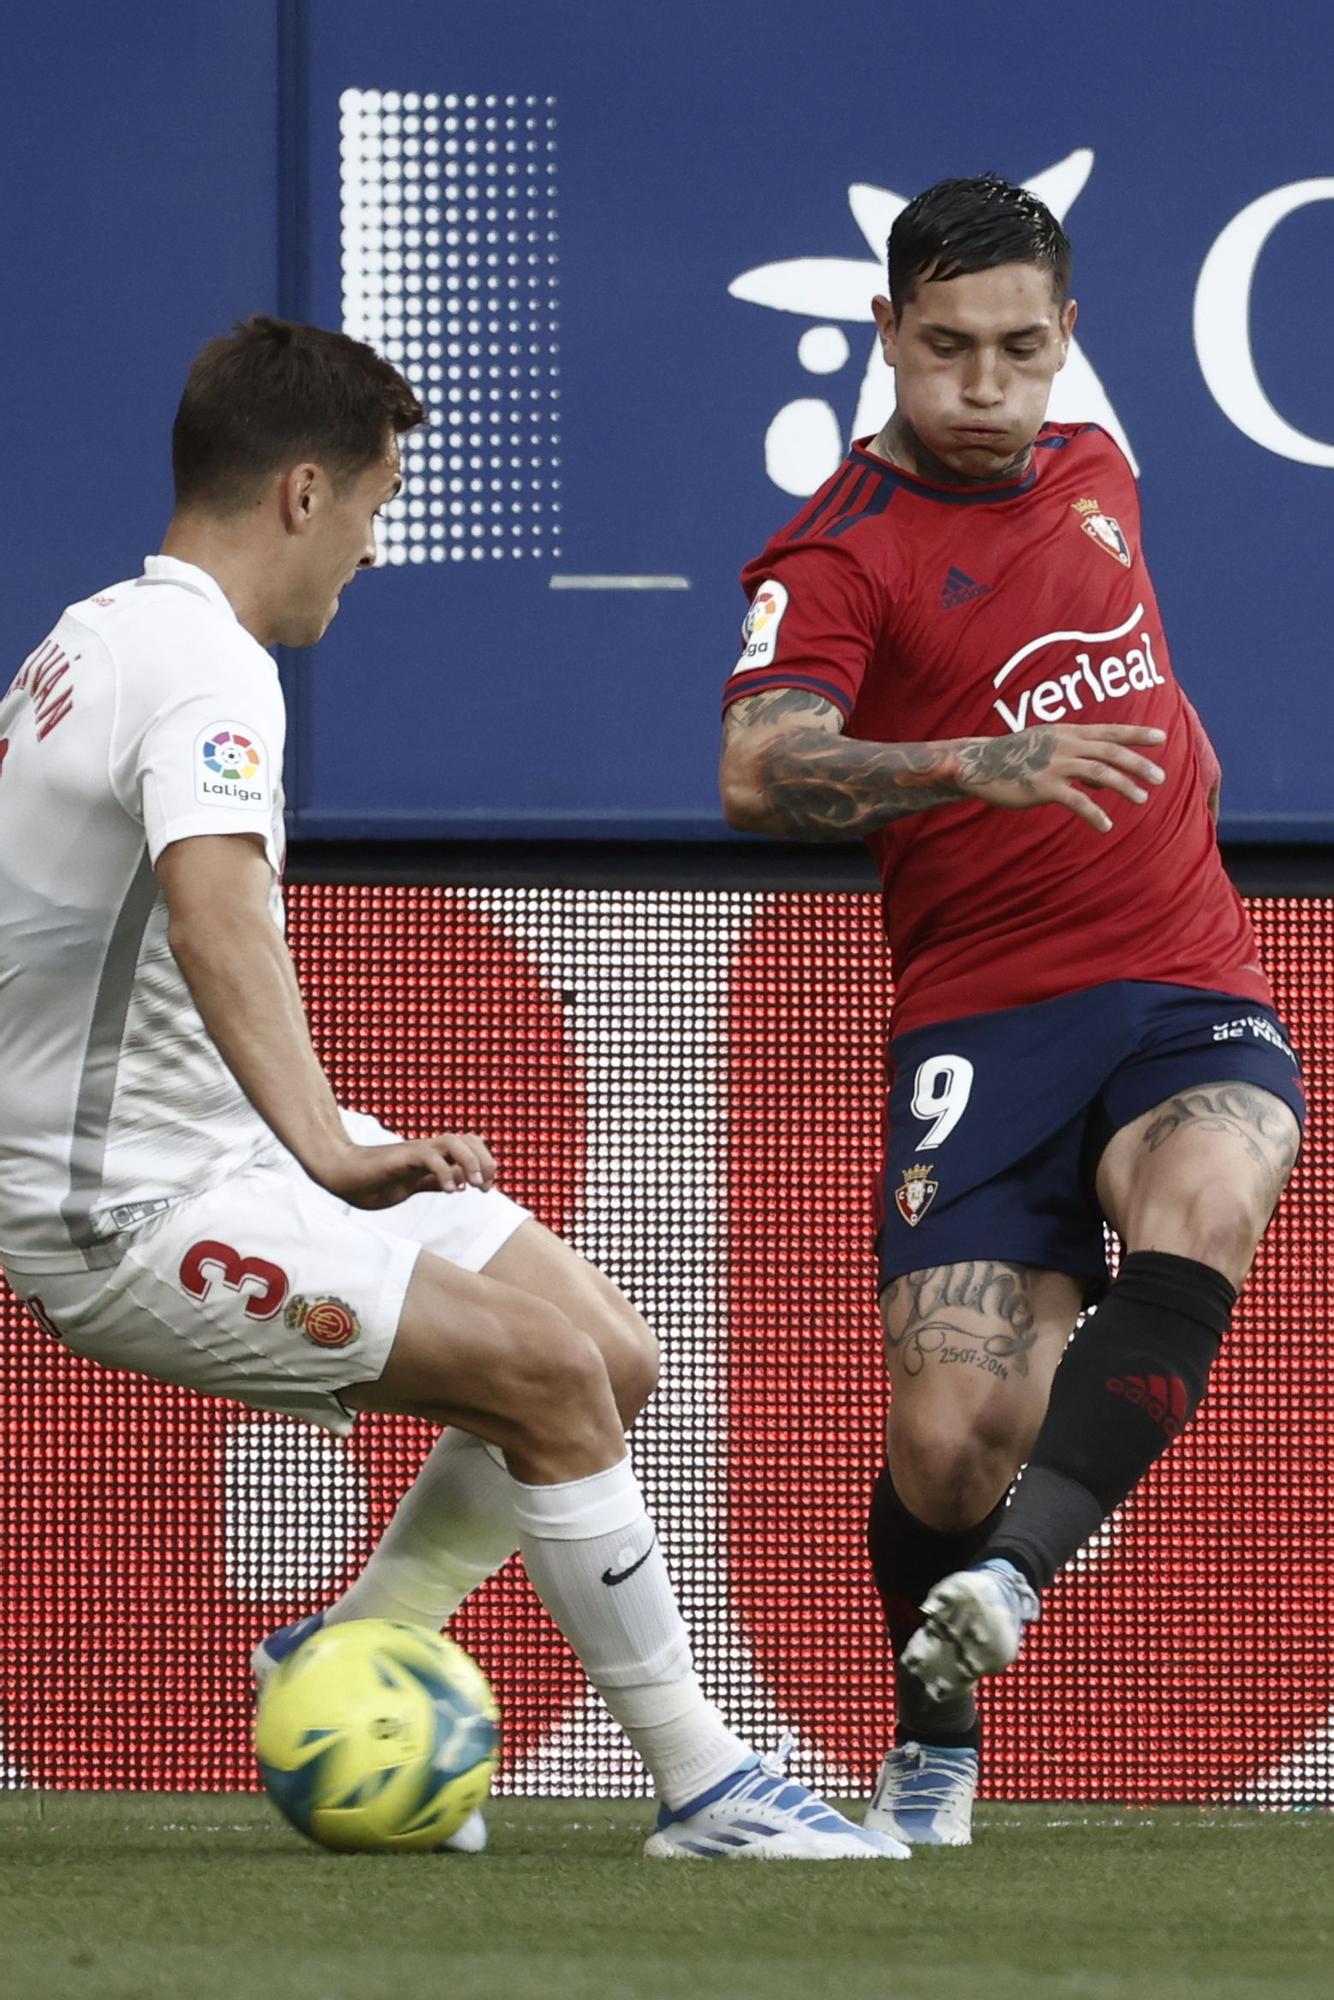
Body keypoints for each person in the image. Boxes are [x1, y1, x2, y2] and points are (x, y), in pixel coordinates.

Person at [0, 314, 904, 1863]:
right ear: (300, 491)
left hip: (216, 1144)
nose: (370, 547)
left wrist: (305, 1141)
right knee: (544, 1383)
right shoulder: (211, 669)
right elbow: (214, 911)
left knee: (606, 1359)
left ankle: (335, 1654)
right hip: (128, 1206)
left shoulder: (94, 637)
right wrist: (327, 1153)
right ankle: (706, 1786)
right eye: (372, 507)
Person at [719, 176, 1304, 1848]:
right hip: (983, 1020)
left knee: (1209, 1199)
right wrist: (974, 762)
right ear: (888, 332)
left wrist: (1176, 753)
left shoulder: (1096, 469)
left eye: (1022, 349)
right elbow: (756, 769)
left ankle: (1013, 1584)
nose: (985, 386)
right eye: (948, 348)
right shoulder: (836, 553)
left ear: (1067, 344)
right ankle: (934, 1718)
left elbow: (1123, 657)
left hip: (1186, 982)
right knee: (947, 1430)